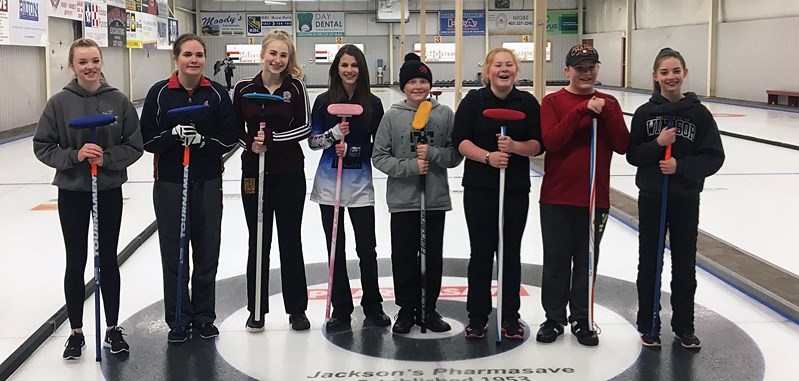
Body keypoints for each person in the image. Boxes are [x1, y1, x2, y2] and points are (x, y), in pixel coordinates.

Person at [33, 38, 143, 359]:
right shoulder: (59, 103)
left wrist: (106, 158)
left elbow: (134, 145)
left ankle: (111, 328)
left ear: (101, 62)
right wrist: (75, 154)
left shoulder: (118, 100)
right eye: (82, 62)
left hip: (108, 189)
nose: (90, 67)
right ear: (72, 66)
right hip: (73, 191)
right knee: (76, 259)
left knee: (108, 258)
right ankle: (77, 332)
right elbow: (43, 145)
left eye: (94, 60)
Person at [140, 33, 238, 343]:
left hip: (207, 182)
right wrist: (171, 134)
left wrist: (204, 142)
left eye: (198, 55)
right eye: (187, 55)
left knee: (207, 250)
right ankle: (179, 317)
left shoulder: (218, 94)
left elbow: (230, 136)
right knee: (174, 252)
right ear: (176, 58)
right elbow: (147, 139)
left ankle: (205, 317)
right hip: (170, 183)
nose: (193, 60)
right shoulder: (159, 94)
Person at [628, 47, 725, 349]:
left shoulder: (698, 114)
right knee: (650, 261)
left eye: (675, 71)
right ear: (655, 76)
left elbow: (714, 156)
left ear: (684, 73)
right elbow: (633, 155)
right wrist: (658, 143)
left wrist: (680, 167)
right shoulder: (645, 114)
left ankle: (684, 326)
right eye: (664, 72)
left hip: (684, 198)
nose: (670, 77)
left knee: (684, 262)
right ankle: (649, 324)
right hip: (653, 196)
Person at [537, 44, 629, 346]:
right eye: (579, 68)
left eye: (591, 66)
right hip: (557, 197)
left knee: (587, 261)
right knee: (556, 261)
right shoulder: (553, 102)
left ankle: (582, 318)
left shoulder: (609, 103)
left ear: (597, 69)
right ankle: (553, 318)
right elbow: (552, 141)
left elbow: (622, 144)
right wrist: (580, 111)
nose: (586, 72)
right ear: (567, 71)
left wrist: (608, 112)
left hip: (594, 199)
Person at [451, 48, 543, 340]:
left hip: (514, 189)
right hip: (480, 188)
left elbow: (539, 145)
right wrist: (488, 157)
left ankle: (509, 316)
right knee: (480, 252)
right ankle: (477, 317)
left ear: (517, 70)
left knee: (509, 253)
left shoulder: (527, 102)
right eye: (498, 65)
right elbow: (459, 141)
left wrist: (514, 147)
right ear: (487, 70)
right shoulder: (474, 101)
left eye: (510, 65)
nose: (504, 70)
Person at [373, 53, 463, 334]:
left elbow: (455, 154)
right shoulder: (392, 116)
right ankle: (406, 309)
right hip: (403, 201)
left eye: (423, 81)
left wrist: (434, 154)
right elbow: (379, 157)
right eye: (412, 81)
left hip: (434, 199)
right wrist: (411, 166)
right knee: (403, 257)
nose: (418, 86)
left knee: (432, 257)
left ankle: (429, 308)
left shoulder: (444, 114)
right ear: (403, 87)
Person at [232, 30, 312, 332]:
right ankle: (256, 308)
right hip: (254, 172)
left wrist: (274, 140)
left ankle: (297, 309)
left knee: (290, 239)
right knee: (259, 239)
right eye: (273, 53)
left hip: (289, 172)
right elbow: (234, 129)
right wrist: (251, 144)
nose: (277, 60)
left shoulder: (296, 87)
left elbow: (304, 127)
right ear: (262, 54)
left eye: (283, 55)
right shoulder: (243, 88)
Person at [308, 45, 390, 331]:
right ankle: (341, 309)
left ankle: (373, 306)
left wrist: (353, 149)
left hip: (360, 186)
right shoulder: (322, 102)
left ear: (361, 69)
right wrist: (333, 135)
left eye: (354, 65)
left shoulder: (374, 104)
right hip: (329, 184)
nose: (349, 70)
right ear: (336, 69)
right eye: (344, 65)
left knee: (367, 247)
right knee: (336, 247)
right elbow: (313, 142)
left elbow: (380, 147)